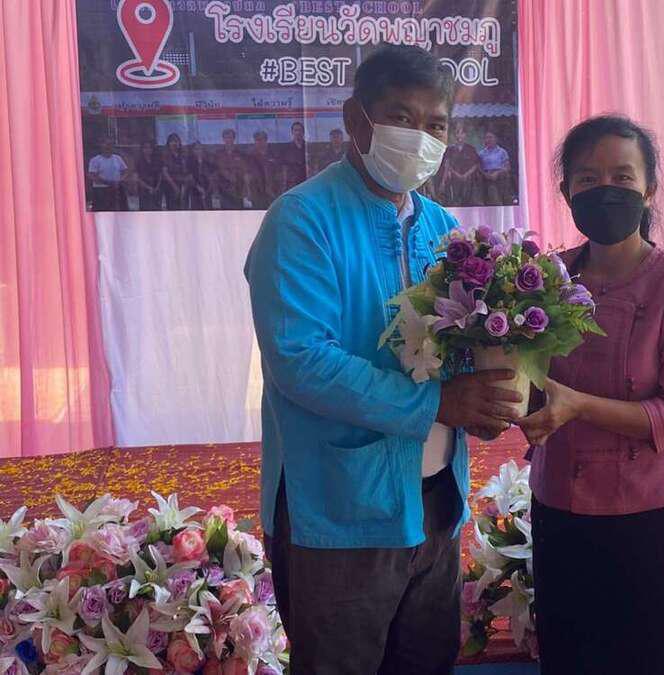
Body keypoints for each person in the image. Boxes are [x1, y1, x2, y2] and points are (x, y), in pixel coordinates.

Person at [244, 45, 520, 674]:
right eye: (401, 117)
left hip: (435, 501)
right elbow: (300, 361)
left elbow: (460, 345)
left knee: (425, 663)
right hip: (340, 508)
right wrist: (440, 403)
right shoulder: (302, 220)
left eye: (436, 124)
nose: (419, 137)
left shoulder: (444, 228)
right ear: (356, 120)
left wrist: (499, 393)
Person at [518, 115, 664, 675]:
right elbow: (525, 380)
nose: (605, 190)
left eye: (622, 177)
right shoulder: (543, 279)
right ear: (567, 192)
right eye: (588, 179)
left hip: (649, 522)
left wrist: (578, 405)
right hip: (559, 511)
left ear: (649, 188)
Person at [440, 124, 482, 206]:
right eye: (457, 133)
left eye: (462, 133)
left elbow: (476, 164)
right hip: (454, 179)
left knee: (468, 201)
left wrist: (466, 175)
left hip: (469, 180)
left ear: (465, 135)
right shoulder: (450, 149)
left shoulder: (471, 149)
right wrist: (444, 181)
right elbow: (447, 164)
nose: (459, 135)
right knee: (455, 200)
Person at [88, 137, 129, 211]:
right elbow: (92, 175)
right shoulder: (95, 160)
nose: (108, 146)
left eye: (110, 144)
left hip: (116, 189)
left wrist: (120, 180)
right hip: (101, 191)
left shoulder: (118, 158)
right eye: (106, 144)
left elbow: (125, 171)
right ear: (101, 146)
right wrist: (106, 182)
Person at [213, 128, 248, 210]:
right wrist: (215, 190)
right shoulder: (218, 154)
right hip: (223, 190)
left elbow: (245, 172)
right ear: (223, 139)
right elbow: (215, 173)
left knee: (238, 214)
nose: (228, 140)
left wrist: (246, 189)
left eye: (230, 137)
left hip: (238, 190)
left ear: (234, 139)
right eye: (226, 137)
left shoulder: (241, 154)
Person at [246, 130, 280, 209]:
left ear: (266, 140)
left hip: (272, 192)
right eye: (257, 140)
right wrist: (248, 192)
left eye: (262, 139)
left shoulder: (274, 154)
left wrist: (278, 190)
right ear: (255, 141)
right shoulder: (250, 156)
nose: (260, 142)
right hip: (256, 192)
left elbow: (279, 174)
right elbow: (247, 175)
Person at [478, 131, 511, 205]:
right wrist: (485, 174)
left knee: (499, 183)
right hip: (486, 175)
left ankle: (500, 203)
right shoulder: (481, 153)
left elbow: (507, 167)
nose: (488, 140)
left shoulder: (502, 152)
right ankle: (497, 204)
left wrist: (497, 173)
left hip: (500, 174)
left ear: (496, 139)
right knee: (491, 187)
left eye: (490, 137)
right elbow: (479, 167)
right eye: (486, 138)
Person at [161, 133, 190, 210]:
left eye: (176, 141)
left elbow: (187, 171)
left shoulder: (183, 155)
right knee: (172, 208)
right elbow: (165, 172)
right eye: (172, 141)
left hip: (183, 185)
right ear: (168, 143)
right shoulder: (165, 155)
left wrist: (184, 186)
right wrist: (174, 187)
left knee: (184, 207)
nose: (174, 143)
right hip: (170, 185)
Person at [281, 121, 308, 191]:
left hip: (306, 182)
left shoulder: (308, 147)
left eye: (300, 130)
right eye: (295, 130)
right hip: (292, 184)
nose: (298, 132)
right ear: (292, 132)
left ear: (303, 132)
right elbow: (284, 168)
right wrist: (284, 185)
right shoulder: (286, 149)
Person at [135, 141, 162, 210]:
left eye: (150, 148)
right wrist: (148, 188)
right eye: (145, 148)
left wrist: (157, 187)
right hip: (144, 190)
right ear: (142, 149)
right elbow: (137, 177)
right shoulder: (139, 161)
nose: (148, 150)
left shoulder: (157, 160)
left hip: (156, 189)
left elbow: (160, 175)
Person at [185, 141, 212, 210]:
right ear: (193, 150)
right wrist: (198, 188)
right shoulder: (189, 162)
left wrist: (207, 190)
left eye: (200, 149)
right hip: (195, 191)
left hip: (207, 191)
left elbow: (210, 177)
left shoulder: (207, 162)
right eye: (196, 149)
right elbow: (190, 177)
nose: (199, 151)